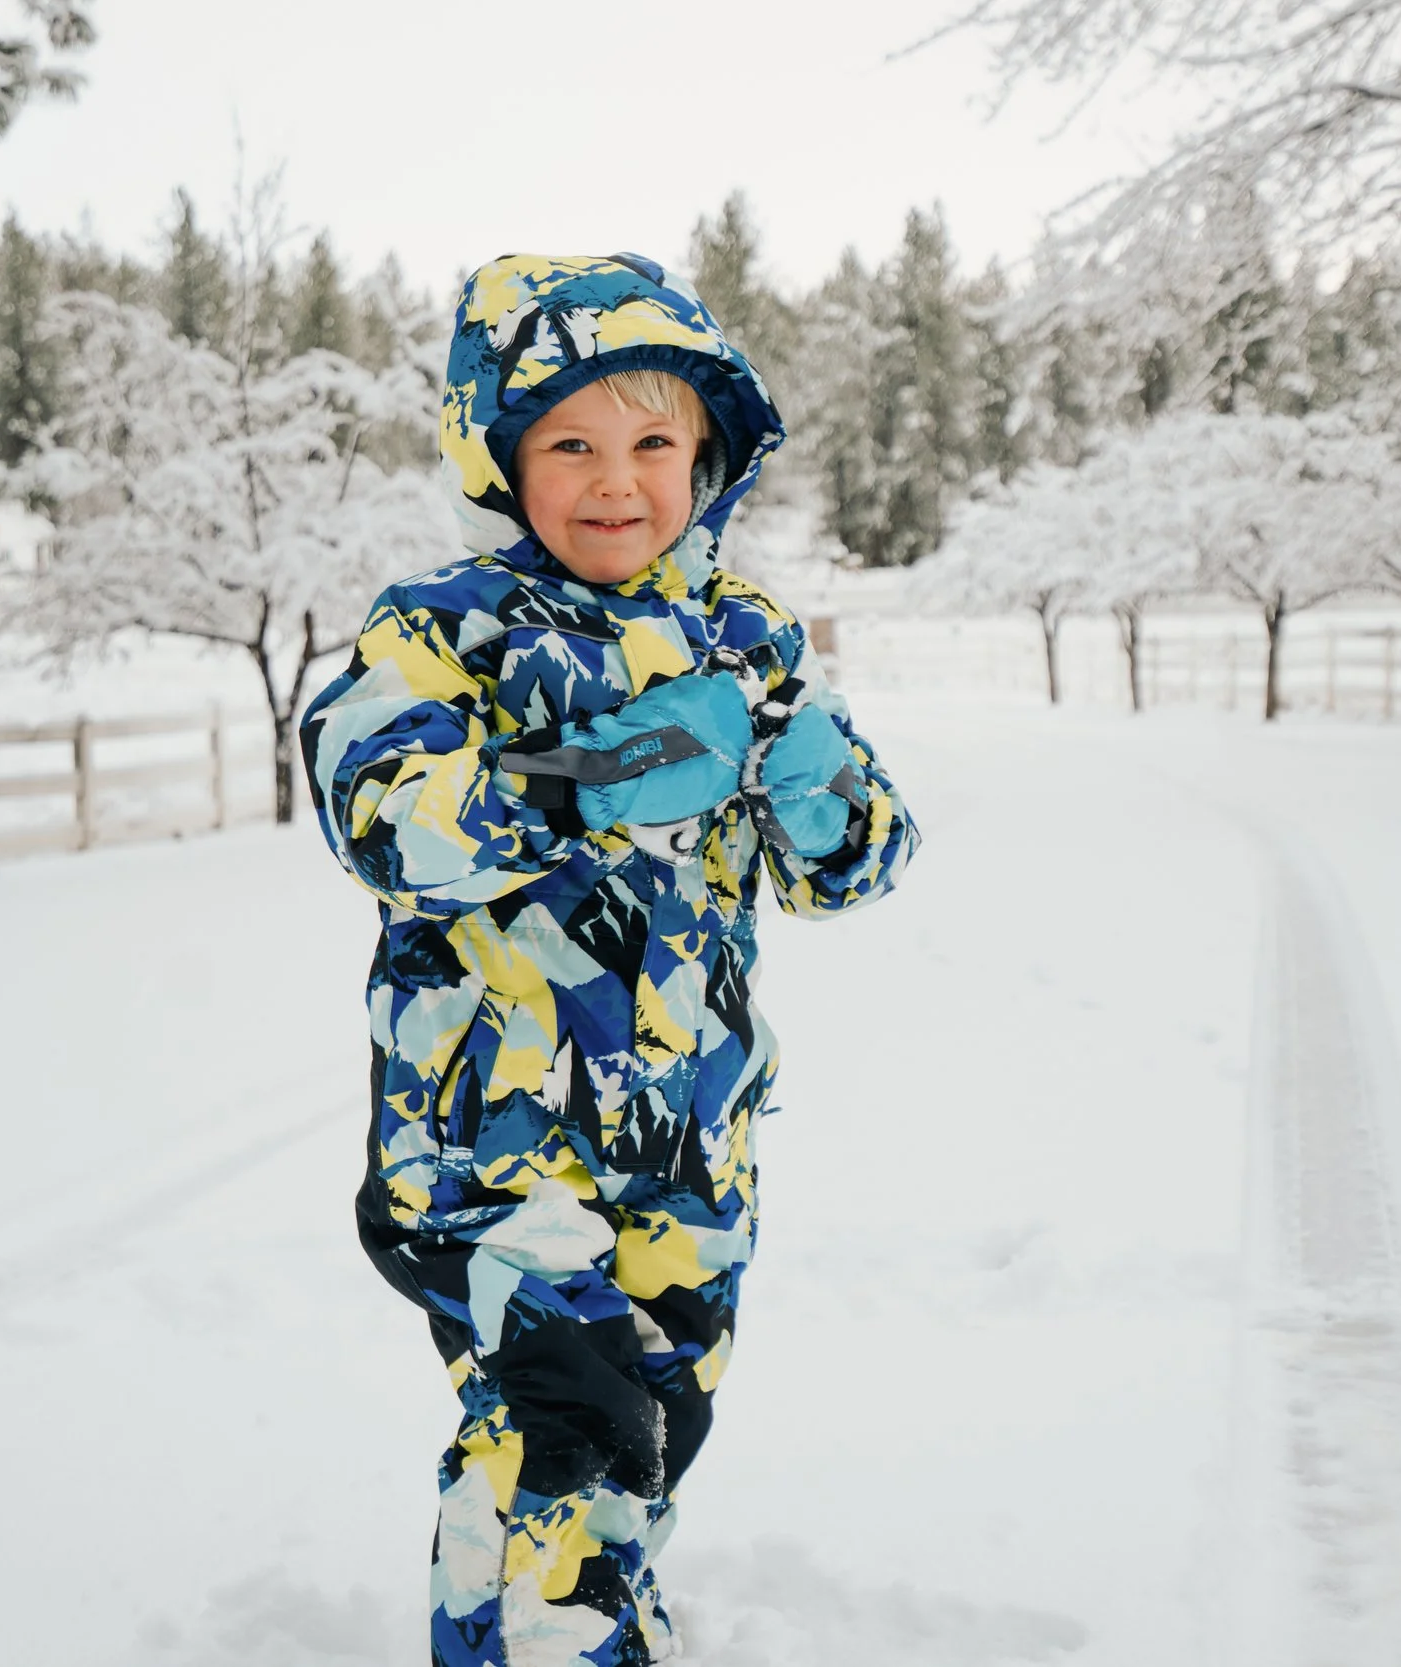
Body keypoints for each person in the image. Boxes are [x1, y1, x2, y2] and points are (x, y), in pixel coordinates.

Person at [300, 253, 919, 1667]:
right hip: (491, 1142)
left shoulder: (747, 639)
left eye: (652, 444)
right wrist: (593, 774)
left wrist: (823, 795)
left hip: (689, 1141)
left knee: (646, 1436)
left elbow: (854, 865)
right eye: (569, 445)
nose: (615, 481)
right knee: (568, 1437)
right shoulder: (448, 627)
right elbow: (382, 816)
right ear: (503, 458)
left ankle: (554, 1629)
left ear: (710, 459)